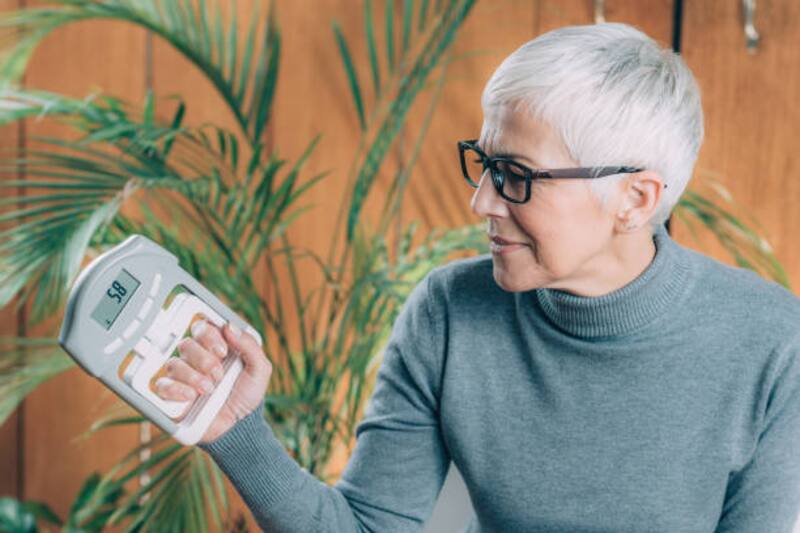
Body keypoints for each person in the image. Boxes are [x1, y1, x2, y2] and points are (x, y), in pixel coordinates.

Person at [154, 22, 800, 532]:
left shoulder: (771, 341)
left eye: (516, 174)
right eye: (485, 164)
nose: (483, 202)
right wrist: (234, 428)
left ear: (635, 199)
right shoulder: (450, 311)